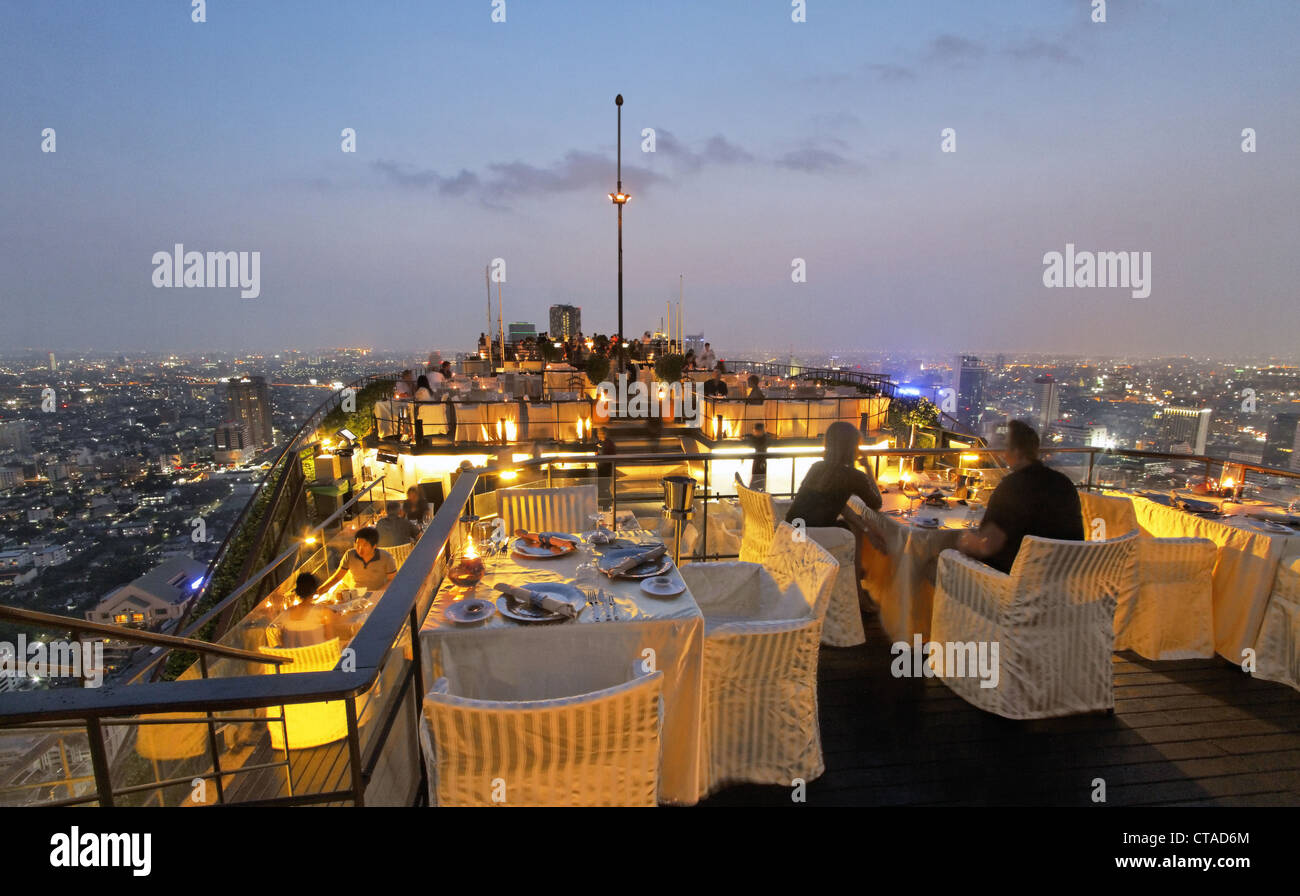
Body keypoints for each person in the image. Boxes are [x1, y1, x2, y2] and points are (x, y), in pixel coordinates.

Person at [956, 420, 1084, 573]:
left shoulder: (1011, 487)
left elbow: (988, 545)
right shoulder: (1064, 484)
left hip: (1013, 583)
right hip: (1062, 580)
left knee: (942, 560)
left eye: (1006, 446)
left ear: (1016, 452)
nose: (1003, 452)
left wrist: (964, 541)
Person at [786, 421, 883, 527]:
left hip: (791, 529)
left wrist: (863, 526)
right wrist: (868, 468)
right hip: (812, 534)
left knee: (852, 523)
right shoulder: (853, 476)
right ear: (852, 447)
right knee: (850, 527)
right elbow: (877, 504)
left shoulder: (817, 467)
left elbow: (832, 502)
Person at [319, 527, 397, 593]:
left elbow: (392, 580)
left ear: (374, 546)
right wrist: (321, 590)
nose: (360, 549)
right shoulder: (350, 555)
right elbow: (337, 577)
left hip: (376, 594)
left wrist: (377, 594)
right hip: (354, 595)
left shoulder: (386, 557)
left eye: (365, 545)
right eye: (358, 544)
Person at [277, 572, 340, 648]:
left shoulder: (285, 614)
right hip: (318, 658)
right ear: (314, 591)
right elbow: (331, 642)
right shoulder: (322, 612)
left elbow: (282, 642)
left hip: (294, 658)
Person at [747, 422, 768, 490]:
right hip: (761, 462)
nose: (754, 432)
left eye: (755, 430)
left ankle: (755, 491)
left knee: (757, 480)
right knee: (760, 481)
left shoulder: (761, 440)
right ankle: (759, 491)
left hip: (760, 462)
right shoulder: (765, 439)